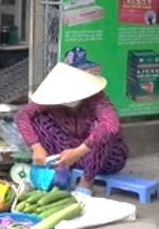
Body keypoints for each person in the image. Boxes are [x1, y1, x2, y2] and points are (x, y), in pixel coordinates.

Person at [15, 62, 128, 191]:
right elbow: (22, 115)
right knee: (39, 120)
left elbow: (111, 126)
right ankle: (58, 167)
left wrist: (78, 152)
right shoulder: (51, 100)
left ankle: (87, 180)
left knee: (102, 128)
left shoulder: (97, 100)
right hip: (67, 151)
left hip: (105, 158)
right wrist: (36, 146)